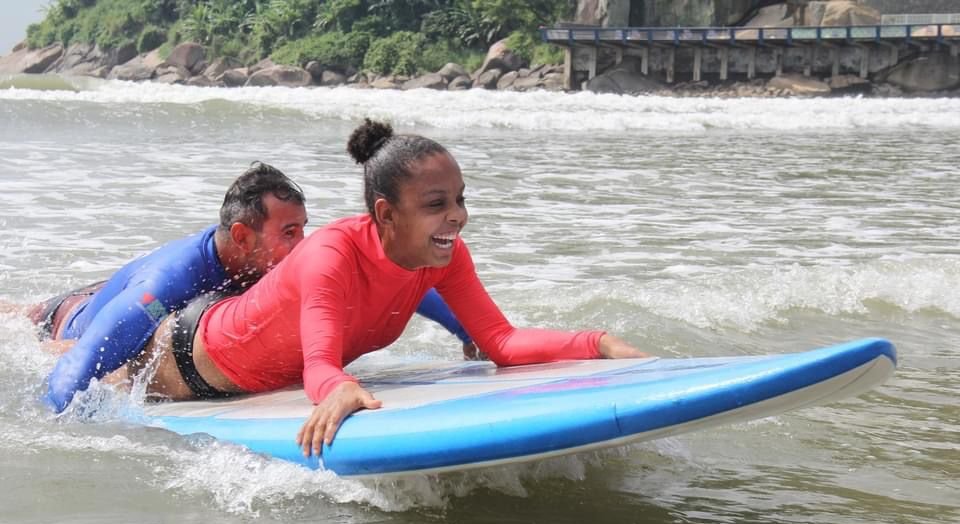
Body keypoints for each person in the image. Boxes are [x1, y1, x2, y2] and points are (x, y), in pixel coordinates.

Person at [122, 119, 648, 457]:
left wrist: (596, 343)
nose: (458, 217)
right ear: (386, 213)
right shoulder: (331, 254)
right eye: (437, 204)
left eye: (460, 200)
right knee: (111, 387)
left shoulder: (444, 256)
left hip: (256, 371)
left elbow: (501, 342)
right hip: (187, 357)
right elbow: (320, 366)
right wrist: (338, 388)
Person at [41, 161, 475, 413]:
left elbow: (393, 279)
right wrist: (61, 431)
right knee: (44, 326)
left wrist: (466, 329)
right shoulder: (168, 284)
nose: (303, 244)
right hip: (76, 316)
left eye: (303, 228)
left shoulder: (270, 261)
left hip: (142, 292)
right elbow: (81, 362)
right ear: (242, 236)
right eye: (289, 233)